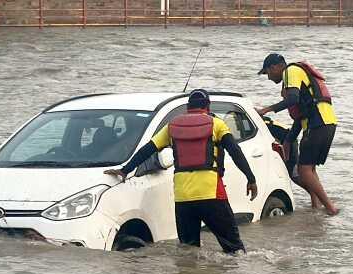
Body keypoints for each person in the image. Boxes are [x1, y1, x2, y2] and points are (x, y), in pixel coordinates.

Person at [104, 89, 258, 254]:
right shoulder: (217, 124)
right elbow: (235, 152)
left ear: (188, 107)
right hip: (212, 195)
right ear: (208, 106)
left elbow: (147, 150)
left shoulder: (172, 127)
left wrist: (125, 170)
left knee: (189, 251)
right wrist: (250, 178)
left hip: (183, 198)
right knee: (234, 249)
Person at [256, 53, 339, 215]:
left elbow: (293, 99)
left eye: (267, 73)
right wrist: (288, 140)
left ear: (274, 67)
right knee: (310, 170)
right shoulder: (297, 74)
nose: (268, 78)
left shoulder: (291, 71)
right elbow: (300, 116)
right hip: (327, 123)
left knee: (303, 170)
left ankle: (330, 208)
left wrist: (266, 110)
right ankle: (316, 207)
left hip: (317, 124)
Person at [262, 116, 322, 209]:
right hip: (287, 139)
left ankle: (317, 198)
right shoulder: (265, 122)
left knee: (294, 174)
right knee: (297, 173)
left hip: (289, 141)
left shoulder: (261, 124)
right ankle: (318, 197)